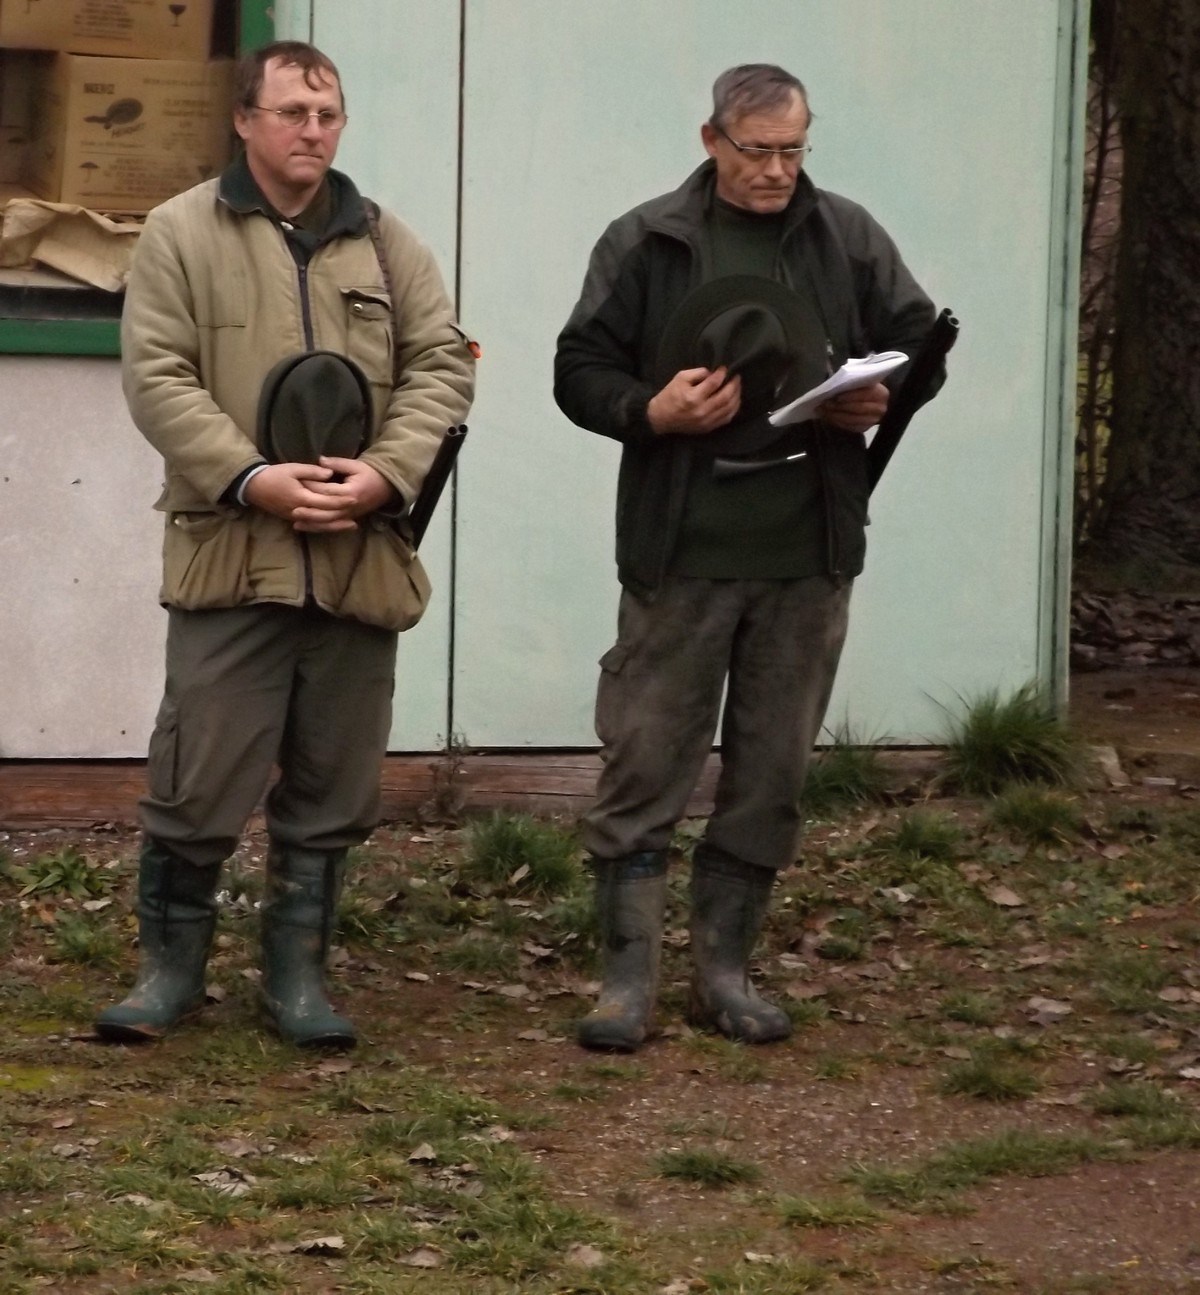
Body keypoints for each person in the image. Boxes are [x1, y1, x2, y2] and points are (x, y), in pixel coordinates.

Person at [554, 63, 942, 1051]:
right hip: (680, 551)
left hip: (807, 552)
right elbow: (578, 368)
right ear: (712, 139)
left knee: (772, 770)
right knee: (646, 760)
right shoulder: (648, 240)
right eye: (757, 150)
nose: (776, 170)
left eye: (792, 150)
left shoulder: (845, 236)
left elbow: (916, 340)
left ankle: (725, 972)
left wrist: (882, 394)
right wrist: (652, 409)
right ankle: (626, 980)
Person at [95, 41, 475, 1049]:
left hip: (357, 559)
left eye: (328, 114)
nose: (314, 130)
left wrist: (385, 473)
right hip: (232, 552)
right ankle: (169, 973)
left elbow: (443, 366)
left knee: (333, 784)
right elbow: (157, 375)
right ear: (244, 120)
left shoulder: (388, 244)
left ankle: (297, 977)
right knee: (199, 775)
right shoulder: (180, 232)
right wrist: (251, 476)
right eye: (293, 112)